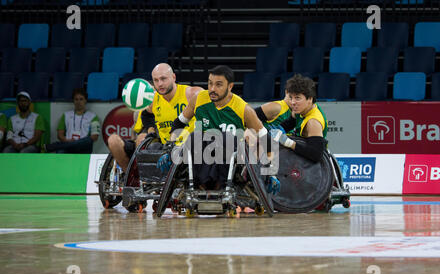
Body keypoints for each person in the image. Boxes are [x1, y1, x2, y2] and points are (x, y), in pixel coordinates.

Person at [157, 65, 280, 194]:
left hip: (231, 157)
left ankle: (219, 187)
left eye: (219, 85)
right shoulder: (199, 99)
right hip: (203, 154)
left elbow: (266, 140)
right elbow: (178, 123)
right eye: (210, 84)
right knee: (194, 137)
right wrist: (169, 148)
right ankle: (199, 186)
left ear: (230, 86)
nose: (212, 89)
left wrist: (271, 173)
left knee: (226, 138)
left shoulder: (243, 109)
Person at [107, 63, 203, 170]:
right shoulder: (153, 99)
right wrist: (151, 129)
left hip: (190, 146)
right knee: (151, 147)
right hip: (166, 148)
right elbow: (146, 115)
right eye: (156, 80)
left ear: (173, 77)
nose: (160, 84)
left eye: (163, 79)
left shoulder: (192, 93)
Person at [267, 74, 328, 163]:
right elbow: (288, 124)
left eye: (297, 98)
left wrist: (289, 143)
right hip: (301, 152)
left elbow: (316, 155)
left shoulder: (313, 122)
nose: (292, 102)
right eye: (291, 98)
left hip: (312, 164)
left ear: (310, 99)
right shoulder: (300, 109)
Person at [44, 88, 100, 154]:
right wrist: (67, 140)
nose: (78, 102)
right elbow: (59, 135)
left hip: (84, 147)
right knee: (60, 152)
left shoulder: (93, 116)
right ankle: (61, 146)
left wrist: (78, 142)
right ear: (73, 101)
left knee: (88, 140)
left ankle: (54, 146)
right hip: (68, 145)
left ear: (85, 101)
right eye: (76, 99)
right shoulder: (66, 115)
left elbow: (94, 137)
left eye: (81, 99)